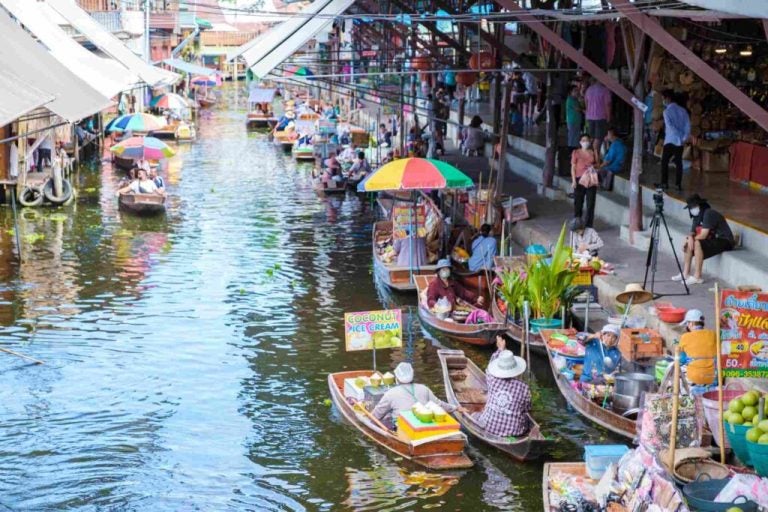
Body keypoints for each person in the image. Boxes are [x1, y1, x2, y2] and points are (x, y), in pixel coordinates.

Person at [372, 362, 461, 430]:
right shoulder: (423, 388)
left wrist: (369, 418)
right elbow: (439, 404)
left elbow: (377, 413)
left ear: (397, 378)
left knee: (386, 418)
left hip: (403, 428)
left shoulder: (390, 393)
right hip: (424, 425)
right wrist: (456, 408)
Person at [472, 336, 531, 437]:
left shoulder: (492, 379)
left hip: (489, 427)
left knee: (474, 415)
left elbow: (489, 366)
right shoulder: (524, 388)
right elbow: (527, 408)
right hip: (515, 432)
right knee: (526, 418)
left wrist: (500, 349)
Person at [673, 194, 734, 285]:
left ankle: (697, 276)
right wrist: (688, 238)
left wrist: (691, 239)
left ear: (700, 205)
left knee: (697, 242)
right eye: (690, 207)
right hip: (713, 240)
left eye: (694, 206)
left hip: (725, 240)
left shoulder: (708, 213)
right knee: (689, 241)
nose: (692, 209)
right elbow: (692, 232)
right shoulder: (697, 216)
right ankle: (685, 273)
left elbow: (703, 235)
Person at [660, 89, 691, 192]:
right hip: (680, 142)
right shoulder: (683, 110)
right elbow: (688, 126)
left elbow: (670, 126)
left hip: (670, 140)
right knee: (679, 163)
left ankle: (664, 183)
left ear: (668, 98)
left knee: (664, 162)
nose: (663, 101)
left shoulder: (666, 112)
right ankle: (678, 184)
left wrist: (679, 135)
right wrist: (683, 137)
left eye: (663, 98)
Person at [678, 309, 717, 389]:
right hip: (713, 378)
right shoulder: (713, 334)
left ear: (691, 323)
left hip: (694, 378)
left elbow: (682, 360)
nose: (687, 326)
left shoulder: (685, 337)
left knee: (679, 369)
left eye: (687, 323)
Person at [571, 133, 598, 228]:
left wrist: (595, 150)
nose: (585, 142)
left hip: (591, 179)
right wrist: (574, 180)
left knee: (590, 202)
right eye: (583, 140)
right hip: (579, 179)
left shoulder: (592, 152)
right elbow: (573, 167)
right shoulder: (576, 152)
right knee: (578, 202)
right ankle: (577, 222)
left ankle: (589, 225)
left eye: (587, 140)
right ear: (580, 142)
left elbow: (597, 164)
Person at [583, 77, 611, 162]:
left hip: (590, 118)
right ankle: (595, 158)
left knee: (591, 137)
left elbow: (586, 103)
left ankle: (589, 157)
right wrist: (609, 117)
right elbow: (607, 105)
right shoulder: (605, 90)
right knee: (598, 139)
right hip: (601, 117)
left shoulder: (588, 90)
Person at [565, 85, 584, 151]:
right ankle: (571, 151)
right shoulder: (570, 99)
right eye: (575, 90)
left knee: (576, 137)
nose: (577, 92)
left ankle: (575, 151)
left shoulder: (575, 100)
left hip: (577, 121)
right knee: (572, 137)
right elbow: (578, 109)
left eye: (577, 90)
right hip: (572, 121)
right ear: (571, 92)